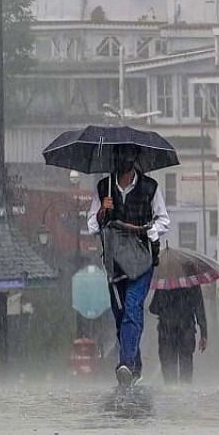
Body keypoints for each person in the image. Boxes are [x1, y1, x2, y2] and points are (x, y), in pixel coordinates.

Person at [87, 144, 170, 386]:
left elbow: (163, 219)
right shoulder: (104, 187)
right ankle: (134, 366)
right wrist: (103, 211)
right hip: (114, 261)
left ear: (135, 159)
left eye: (128, 157)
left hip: (142, 259)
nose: (124, 161)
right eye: (120, 156)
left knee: (133, 307)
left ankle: (124, 363)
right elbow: (92, 225)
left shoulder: (150, 188)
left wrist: (149, 232)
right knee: (121, 313)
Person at [148, 265, 208, 384]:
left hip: (166, 329)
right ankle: (185, 390)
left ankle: (171, 389)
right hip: (187, 328)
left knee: (168, 361)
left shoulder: (164, 283)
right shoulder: (192, 284)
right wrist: (204, 334)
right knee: (186, 360)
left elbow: (153, 308)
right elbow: (199, 308)